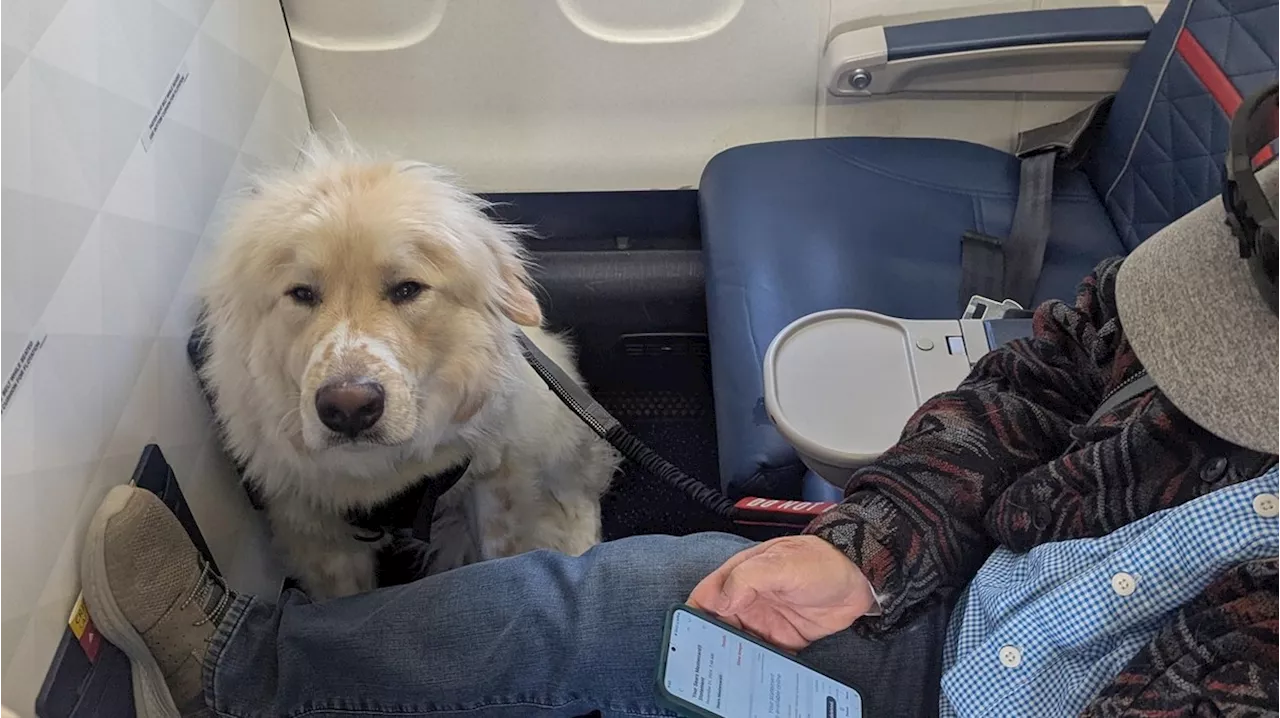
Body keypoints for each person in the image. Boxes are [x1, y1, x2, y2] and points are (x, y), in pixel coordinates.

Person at [81, 164, 1280, 718]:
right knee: (617, 602)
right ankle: (242, 669)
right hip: (962, 619)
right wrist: (874, 540)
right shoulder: (1218, 260)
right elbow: (1042, 376)